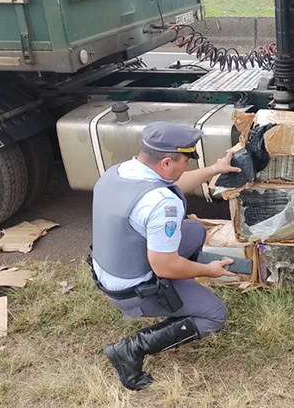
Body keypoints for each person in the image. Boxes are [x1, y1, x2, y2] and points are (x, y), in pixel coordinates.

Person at [90, 121, 241, 390]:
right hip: (132, 291)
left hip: (113, 271)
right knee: (214, 315)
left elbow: (175, 183)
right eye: (186, 160)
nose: (188, 165)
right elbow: (165, 266)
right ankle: (130, 350)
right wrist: (210, 271)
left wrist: (216, 169)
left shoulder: (120, 172)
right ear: (167, 163)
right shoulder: (162, 204)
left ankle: (180, 295)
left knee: (193, 230)